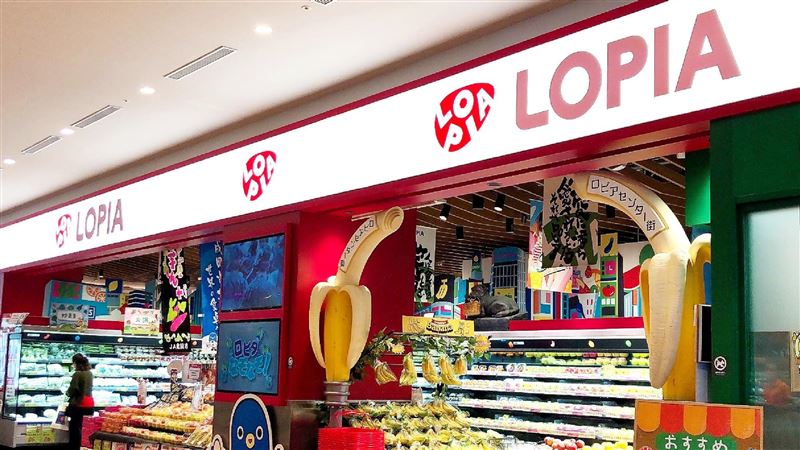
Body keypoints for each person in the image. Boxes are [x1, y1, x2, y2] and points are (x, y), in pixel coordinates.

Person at [66, 353, 94, 450]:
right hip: (89, 402)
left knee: (75, 428)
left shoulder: (77, 374)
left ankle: (75, 447)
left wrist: (67, 393)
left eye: (74, 363)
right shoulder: (90, 373)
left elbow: (73, 388)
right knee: (85, 428)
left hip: (79, 403)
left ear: (77, 364)